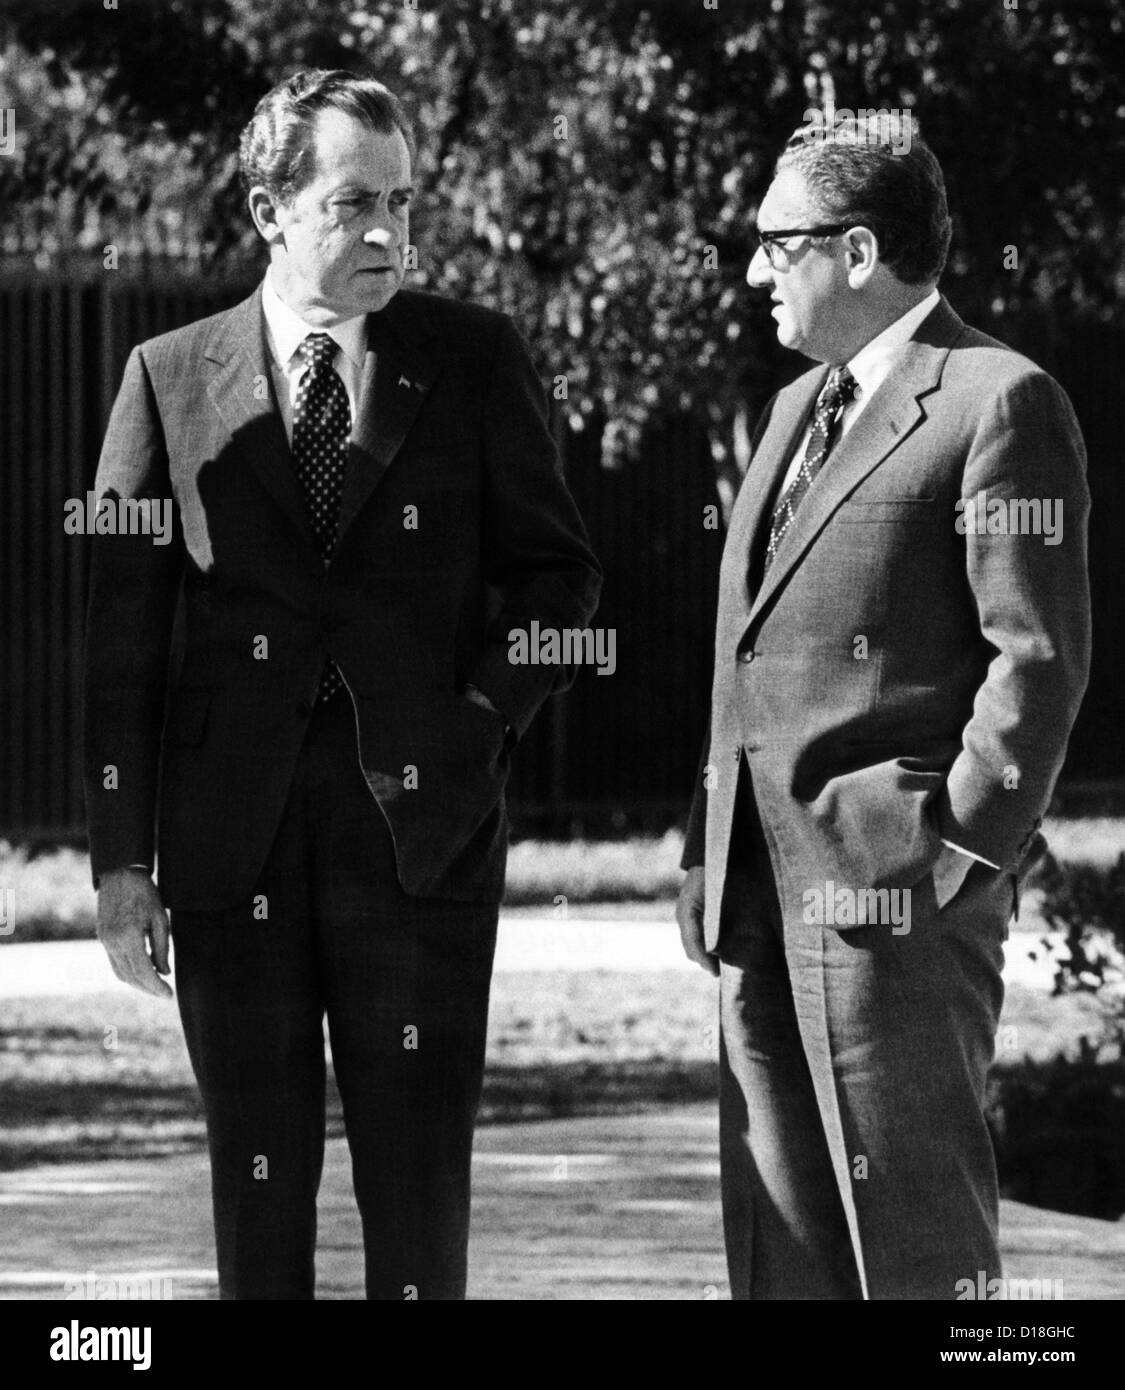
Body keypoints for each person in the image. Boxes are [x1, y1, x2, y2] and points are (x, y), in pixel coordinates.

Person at [83, 68, 601, 1300]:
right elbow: (123, 638)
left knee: (419, 1195)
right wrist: (118, 857)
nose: (389, 234)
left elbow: (561, 583)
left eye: (403, 204)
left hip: (421, 839)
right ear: (270, 211)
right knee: (257, 1194)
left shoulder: (473, 359)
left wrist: (476, 727)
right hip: (228, 851)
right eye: (355, 203)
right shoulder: (167, 376)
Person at [676, 115, 1090, 1300]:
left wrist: (960, 843)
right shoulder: (791, 414)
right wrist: (706, 851)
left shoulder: (999, 401)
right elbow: (743, 657)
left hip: (897, 902)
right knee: (781, 1255)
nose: (754, 270)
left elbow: (1038, 654)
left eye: (775, 242)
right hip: (757, 901)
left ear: (857, 252)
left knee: (917, 1248)